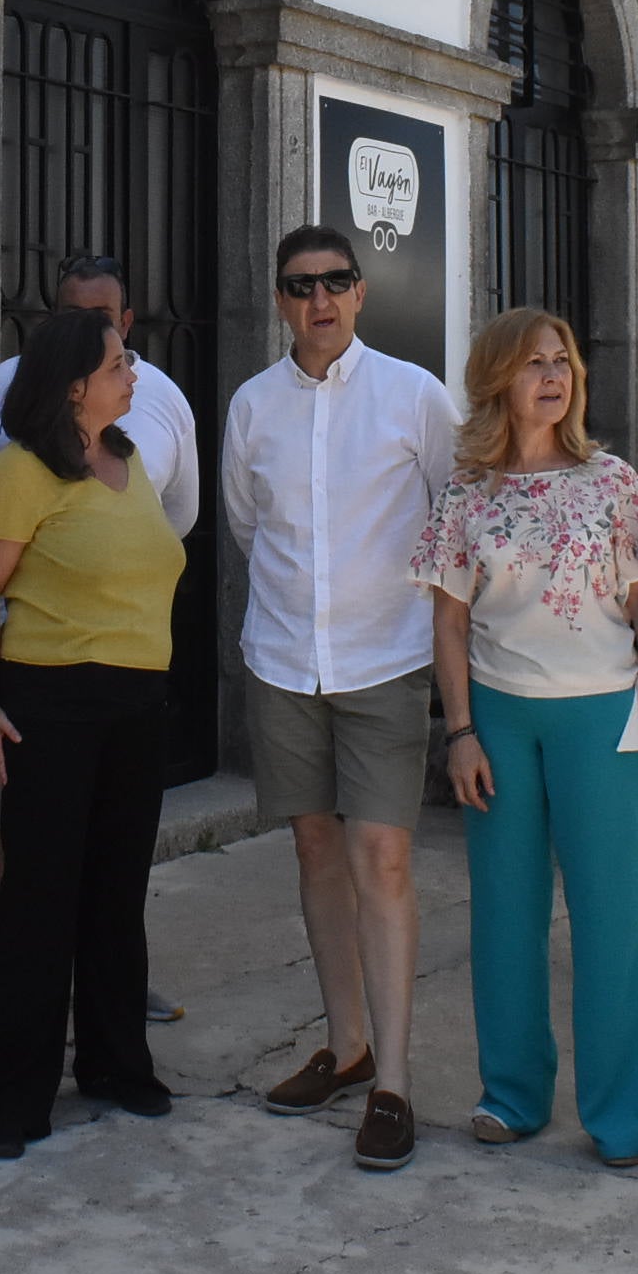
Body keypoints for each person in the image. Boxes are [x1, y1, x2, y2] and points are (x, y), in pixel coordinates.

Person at [414, 307, 638, 1170]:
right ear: (499, 379)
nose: (553, 374)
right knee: (505, 915)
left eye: (561, 359)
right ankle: (513, 1096)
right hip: (497, 716)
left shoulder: (612, 481)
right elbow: (448, 623)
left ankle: (621, 1116)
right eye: (533, 362)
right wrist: (458, 731)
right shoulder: (467, 492)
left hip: (601, 717)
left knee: (610, 921)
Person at [223, 225, 458, 1172]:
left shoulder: (414, 395)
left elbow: (453, 517)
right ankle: (346, 1044)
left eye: (334, 283)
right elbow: (247, 525)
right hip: (284, 659)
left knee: (384, 860)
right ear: (279, 300)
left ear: (360, 294)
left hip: (386, 661)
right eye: (298, 285)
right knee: (315, 848)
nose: (317, 300)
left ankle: (394, 1084)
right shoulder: (251, 406)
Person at [0, 254, 198, 1037]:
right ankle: (9, 1010)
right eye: (80, 323)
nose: (128, 365)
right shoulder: (7, 437)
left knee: (115, 877)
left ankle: (112, 1028)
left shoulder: (146, 430)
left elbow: (175, 522)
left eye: (112, 325)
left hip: (134, 694)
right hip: (43, 687)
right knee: (34, 877)